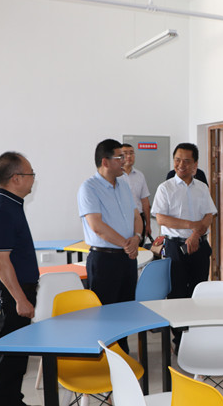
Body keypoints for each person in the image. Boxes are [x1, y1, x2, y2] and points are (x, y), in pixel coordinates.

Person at [0, 152, 39, 406]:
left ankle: (14, 401)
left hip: (12, 293)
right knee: (8, 361)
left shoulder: (10, 204)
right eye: (31, 174)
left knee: (16, 360)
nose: (33, 178)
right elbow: (2, 263)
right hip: (8, 296)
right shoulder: (2, 210)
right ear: (16, 178)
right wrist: (20, 299)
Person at [77, 139, 143, 353]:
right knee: (105, 316)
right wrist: (127, 244)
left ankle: (123, 356)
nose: (125, 160)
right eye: (119, 157)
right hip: (104, 260)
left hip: (127, 258)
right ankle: (105, 359)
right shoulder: (89, 188)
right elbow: (97, 226)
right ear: (105, 161)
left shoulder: (124, 185)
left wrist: (137, 237)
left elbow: (136, 215)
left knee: (125, 312)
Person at [152, 142, 217, 349]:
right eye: (177, 160)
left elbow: (209, 215)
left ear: (195, 164)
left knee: (198, 293)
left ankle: (196, 336)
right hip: (175, 248)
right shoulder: (165, 188)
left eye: (186, 161)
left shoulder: (202, 187)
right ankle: (180, 340)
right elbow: (161, 218)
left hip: (199, 247)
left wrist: (195, 234)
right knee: (177, 294)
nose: (181, 165)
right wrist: (191, 226)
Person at [118, 143, 152, 242]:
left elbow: (145, 201)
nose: (129, 156)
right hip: (121, 218)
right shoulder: (115, 175)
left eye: (131, 153)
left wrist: (148, 224)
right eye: (125, 153)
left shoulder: (140, 175)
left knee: (138, 247)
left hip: (139, 218)